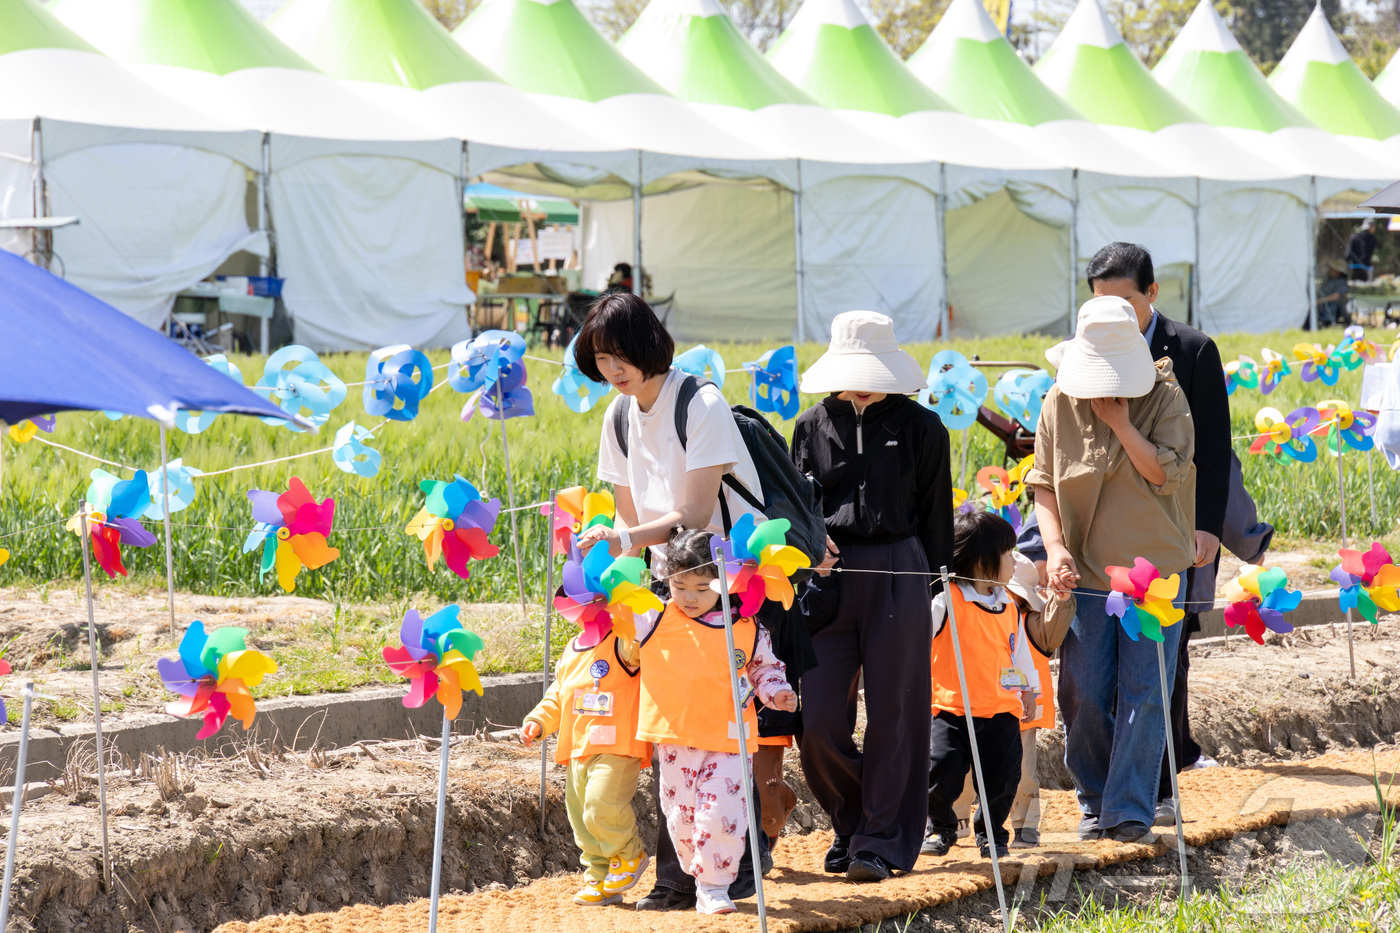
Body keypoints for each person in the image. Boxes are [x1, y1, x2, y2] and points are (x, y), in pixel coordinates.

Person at [574, 291, 812, 910]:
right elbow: (630, 518)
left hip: (727, 582)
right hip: (669, 587)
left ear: (648, 345)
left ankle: (736, 867)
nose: (611, 370)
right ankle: (681, 877)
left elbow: (695, 514)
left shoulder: (699, 403)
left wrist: (626, 539)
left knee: (727, 728)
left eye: (620, 355)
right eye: (600, 359)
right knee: (673, 727)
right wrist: (619, 582)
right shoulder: (618, 417)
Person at [790, 310, 954, 883]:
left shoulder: (923, 427)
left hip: (900, 569)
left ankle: (880, 841)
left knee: (895, 712)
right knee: (817, 720)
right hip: (826, 577)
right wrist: (808, 549)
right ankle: (855, 819)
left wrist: (935, 589)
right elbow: (797, 507)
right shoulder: (809, 426)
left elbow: (936, 514)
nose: (862, 383)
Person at [1026, 294, 1196, 845]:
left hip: (1155, 575)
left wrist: (1121, 423)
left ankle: (1129, 809)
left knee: (1146, 689)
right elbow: (1043, 484)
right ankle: (1096, 801)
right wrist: (1055, 548)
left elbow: (1165, 475)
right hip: (1086, 572)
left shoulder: (1166, 396)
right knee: (1083, 691)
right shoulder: (1058, 401)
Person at [1080, 242, 1230, 828]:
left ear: (1152, 294)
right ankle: (1118, 791)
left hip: (1174, 527)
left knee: (1169, 653)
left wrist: (1206, 526)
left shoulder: (1191, 350)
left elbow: (1213, 448)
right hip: (1102, 542)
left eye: (1124, 303)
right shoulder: (1086, 355)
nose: (1113, 315)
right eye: (1100, 303)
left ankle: (1163, 779)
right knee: (1101, 675)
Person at [635, 528, 799, 915]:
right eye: (680, 586)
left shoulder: (747, 626)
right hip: (675, 740)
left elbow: (764, 669)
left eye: (701, 587)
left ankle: (714, 887)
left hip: (729, 740)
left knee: (721, 815)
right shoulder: (654, 616)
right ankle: (698, 876)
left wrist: (777, 692)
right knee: (681, 820)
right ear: (667, 579)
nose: (689, 597)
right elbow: (613, 609)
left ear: (725, 581)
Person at [923, 511, 1039, 861]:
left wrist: (1029, 690)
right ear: (980, 561)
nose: (1014, 561)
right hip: (951, 709)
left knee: (1002, 779)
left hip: (1001, 711)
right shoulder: (945, 600)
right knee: (941, 770)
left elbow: (1019, 652)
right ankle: (941, 827)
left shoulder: (1009, 606)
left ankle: (992, 835)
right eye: (1008, 554)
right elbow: (916, 641)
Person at [520, 623, 651, 906]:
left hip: (616, 746)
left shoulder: (622, 641)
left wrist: (630, 614)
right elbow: (558, 694)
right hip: (577, 748)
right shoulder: (572, 648)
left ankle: (629, 854)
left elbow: (642, 644)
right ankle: (600, 877)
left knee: (600, 805)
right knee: (581, 819)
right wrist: (538, 720)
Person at [1316, 259, 1350, 328]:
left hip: (1329, 305)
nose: (1330, 270)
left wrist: (1319, 301)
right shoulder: (1328, 280)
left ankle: (1327, 324)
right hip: (1320, 302)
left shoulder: (1341, 282)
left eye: (1332, 269)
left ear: (1338, 272)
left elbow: (1336, 296)